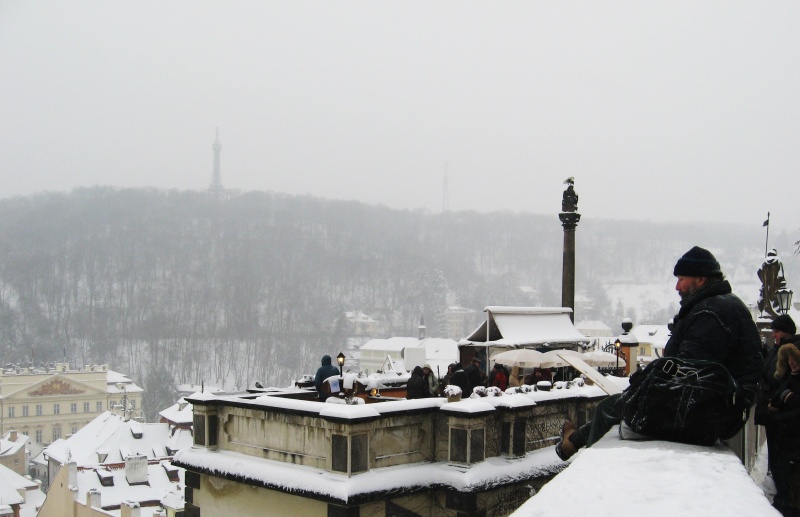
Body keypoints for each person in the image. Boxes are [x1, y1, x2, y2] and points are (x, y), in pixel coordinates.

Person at [556, 246, 762, 460]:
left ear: (700, 280)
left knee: (611, 408)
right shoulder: (720, 306)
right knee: (622, 403)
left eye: (682, 279)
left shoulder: (710, 314)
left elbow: (688, 373)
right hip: (720, 406)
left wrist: (644, 383)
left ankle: (584, 461)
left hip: (709, 411)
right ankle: (572, 442)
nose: (676, 286)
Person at [757, 315, 799, 482]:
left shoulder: (791, 350)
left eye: (776, 332)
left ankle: (784, 501)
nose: (773, 335)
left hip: (784, 417)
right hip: (777, 415)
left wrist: (781, 397)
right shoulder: (780, 348)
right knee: (777, 458)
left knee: (782, 461)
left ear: (786, 332)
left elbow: (785, 380)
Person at [766, 343, 800, 514]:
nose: (793, 363)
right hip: (785, 436)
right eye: (790, 359)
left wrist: (787, 397)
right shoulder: (788, 377)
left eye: (796, 359)